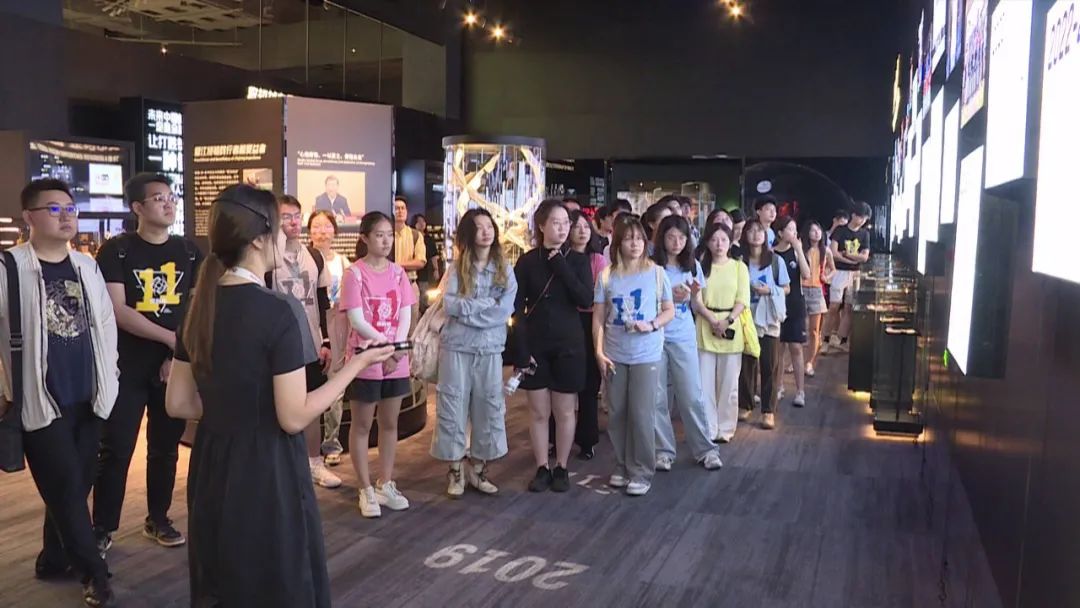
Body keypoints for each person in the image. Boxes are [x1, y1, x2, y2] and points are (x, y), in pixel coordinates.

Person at [165, 184, 395, 607]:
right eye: (280, 226)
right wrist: (357, 365)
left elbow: (177, 403)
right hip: (266, 466)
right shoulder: (276, 310)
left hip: (212, 461)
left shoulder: (198, 305)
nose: (289, 234)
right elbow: (294, 416)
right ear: (258, 239)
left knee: (221, 575)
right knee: (276, 578)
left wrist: (229, 406)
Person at [1, 179, 118, 607]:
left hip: (88, 397)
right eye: (54, 209)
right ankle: (94, 573)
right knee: (67, 488)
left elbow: (105, 325)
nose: (66, 215)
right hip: (39, 401)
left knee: (74, 485)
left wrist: (111, 378)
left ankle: (53, 558)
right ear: (29, 217)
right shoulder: (9, 268)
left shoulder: (86, 266)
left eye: (70, 208)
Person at [93, 173, 200, 554]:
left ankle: (158, 518)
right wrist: (170, 339)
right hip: (127, 366)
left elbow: (195, 307)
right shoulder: (117, 251)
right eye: (158, 198)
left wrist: (175, 354)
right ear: (137, 207)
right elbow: (118, 310)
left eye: (171, 197)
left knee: (165, 447)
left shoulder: (189, 251)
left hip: (173, 366)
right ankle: (103, 527)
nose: (168, 203)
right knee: (116, 448)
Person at [432, 209, 517, 497]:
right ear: (468, 233)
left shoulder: (505, 269)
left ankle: (479, 469)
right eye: (479, 227)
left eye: (489, 226)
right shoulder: (457, 268)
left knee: (488, 407)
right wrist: (484, 304)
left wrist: (469, 310)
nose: (486, 231)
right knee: (452, 407)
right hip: (456, 347)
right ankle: (455, 471)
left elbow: (503, 311)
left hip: (490, 348)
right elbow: (451, 305)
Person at [511, 199, 594, 493]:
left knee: (565, 410)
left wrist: (560, 264)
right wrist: (520, 350)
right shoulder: (526, 262)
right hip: (536, 344)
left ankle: (562, 466)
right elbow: (516, 308)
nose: (562, 228)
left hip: (569, 343)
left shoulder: (578, 261)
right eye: (555, 223)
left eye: (565, 223)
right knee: (537, 410)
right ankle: (541, 467)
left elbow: (585, 299)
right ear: (541, 225)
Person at [342, 211, 417, 517]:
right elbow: (356, 320)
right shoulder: (354, 274)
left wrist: (396, 349)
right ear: (365, 238)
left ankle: (385, 482)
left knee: (389, 423)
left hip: (394, 359)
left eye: (389, 235)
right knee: (362, 425)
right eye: (379, 235)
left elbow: (406, 314)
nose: (386, 241)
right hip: (366, 358)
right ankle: (365, 488)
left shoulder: (398, 273)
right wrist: (388, 347)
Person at [593, 216, 675, 496]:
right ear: (618, 242)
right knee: (617, 412)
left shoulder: (657, 273)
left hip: (647, 353)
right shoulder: (606, 276)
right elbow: (598, 318)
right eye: (629, 239)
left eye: (639, 238)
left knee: (641, 413)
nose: (635, 244)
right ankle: (622, 464)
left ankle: (641, 470)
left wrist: (651, 325)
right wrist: (598, 351)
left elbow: (669, 310)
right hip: (615, 352)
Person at [269, 195, 339, 488]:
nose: (293, 222)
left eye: (296, 216)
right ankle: (279, 466)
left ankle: (314, 462)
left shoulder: (314, 256)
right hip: (277, 344)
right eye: (285, 216)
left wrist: (326, 341)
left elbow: (322, 301)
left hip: (309, 342)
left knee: (312, 404)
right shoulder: (267, 257)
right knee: (277, 405)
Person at [651, 215, 723, 469]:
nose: (676, 242)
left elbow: (696, 303)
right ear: (661, 238)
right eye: (671, 237)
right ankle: (663, 451)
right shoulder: (651, 267)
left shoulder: (692, 267)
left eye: (682, 237)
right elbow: (646, 303)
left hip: (683, 334)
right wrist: (668, 297)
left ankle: (705, 449)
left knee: (692, 394)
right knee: (657, 397)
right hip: (655, 336)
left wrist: (701, 307)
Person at [695, 222, 749, 443]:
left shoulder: (739, 267)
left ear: (730, 242)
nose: (719, 244)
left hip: (730, 325)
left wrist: (727, 321)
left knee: (729, 384)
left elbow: (742, 299)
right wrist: (712, 320)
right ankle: (708, 427)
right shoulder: (700, 267)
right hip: (705, 324)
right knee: (704, 383)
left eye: (724, 240)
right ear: (707, 242)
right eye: (714, 240)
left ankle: (725, 428)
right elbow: (696, 300)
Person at [738, 219, 789, 430]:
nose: (755, 234)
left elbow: (786, 287)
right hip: (745, 317)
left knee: (769, 364)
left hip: (768, 319)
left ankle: (768, 410)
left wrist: (769, 290)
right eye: (750, 231)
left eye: (759, 231)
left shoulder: (776, 261)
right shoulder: (739, 261)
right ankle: (745, 404)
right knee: (746, 363)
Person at [308, 210, 349, 465]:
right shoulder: (303, 260)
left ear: (335, 231)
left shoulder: (344, 263)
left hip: (336, 325)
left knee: (336, 387)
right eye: (316, 226)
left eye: (326, 226)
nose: (322, 232)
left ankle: (331, 443)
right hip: (311, 324)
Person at [565, 210, 607, 460]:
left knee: (589, 384)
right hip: (566, 321)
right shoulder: (560, 256)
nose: (582, 231)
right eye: (576, 227)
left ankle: (587, 440)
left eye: (586, 227)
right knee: (562, 386)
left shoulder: (597, 260)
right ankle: (558, 438)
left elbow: (596, 296)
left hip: (590, 320)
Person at [772, 216, 812, 407]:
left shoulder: (797, 252)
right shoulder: (771, 253)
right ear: (780, 233)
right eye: (790, 229)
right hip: (776, 305)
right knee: (778, 348)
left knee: (796, 347)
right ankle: (779, 386)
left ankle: (800, 391)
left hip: (795, 304)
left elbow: (806, 274)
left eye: (795, 229)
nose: (794, 233)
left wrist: (799, 249)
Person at [822, 202, 871, 354]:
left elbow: (865, 257)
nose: (862, 221)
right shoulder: (840, 230)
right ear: (854, 215)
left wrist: (848, 255)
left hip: (855, 274)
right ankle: (825, 339)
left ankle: (841, 339)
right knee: (834, 307)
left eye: (865, 218)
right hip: (839, 272)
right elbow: (834, 252)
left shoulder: (864, 234)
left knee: (850, 307)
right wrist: (852, 260)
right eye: (861, 217)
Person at [801, 220, 835, 377]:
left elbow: (833, 269)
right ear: (807, 233)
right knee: (800, 328)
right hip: (802, 289)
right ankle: (797, 360)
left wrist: (826, 277)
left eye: (818, 230)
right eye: (813, 230)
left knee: (814, 330)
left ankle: (809, 362)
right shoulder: (802, 249)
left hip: (817, 290)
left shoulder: (826, 251)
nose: (816, 233)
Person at [391, 196, 427, 324]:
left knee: (411, 326)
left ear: (407, 211)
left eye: (403, 208)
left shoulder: (415, 235)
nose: (400, 211)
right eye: (396, 208)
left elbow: (420, 261)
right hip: (389, 285)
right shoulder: (386, 234)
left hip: (410, 284)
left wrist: (397, 265)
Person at [411, 213, 441, 312]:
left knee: (425, 296)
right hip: (413, 271)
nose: (422, 224)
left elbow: (434, 256)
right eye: (419, 222)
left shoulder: (429, 239)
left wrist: (436, 269)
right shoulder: (411, 237)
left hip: (427, 271)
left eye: (423, 221)